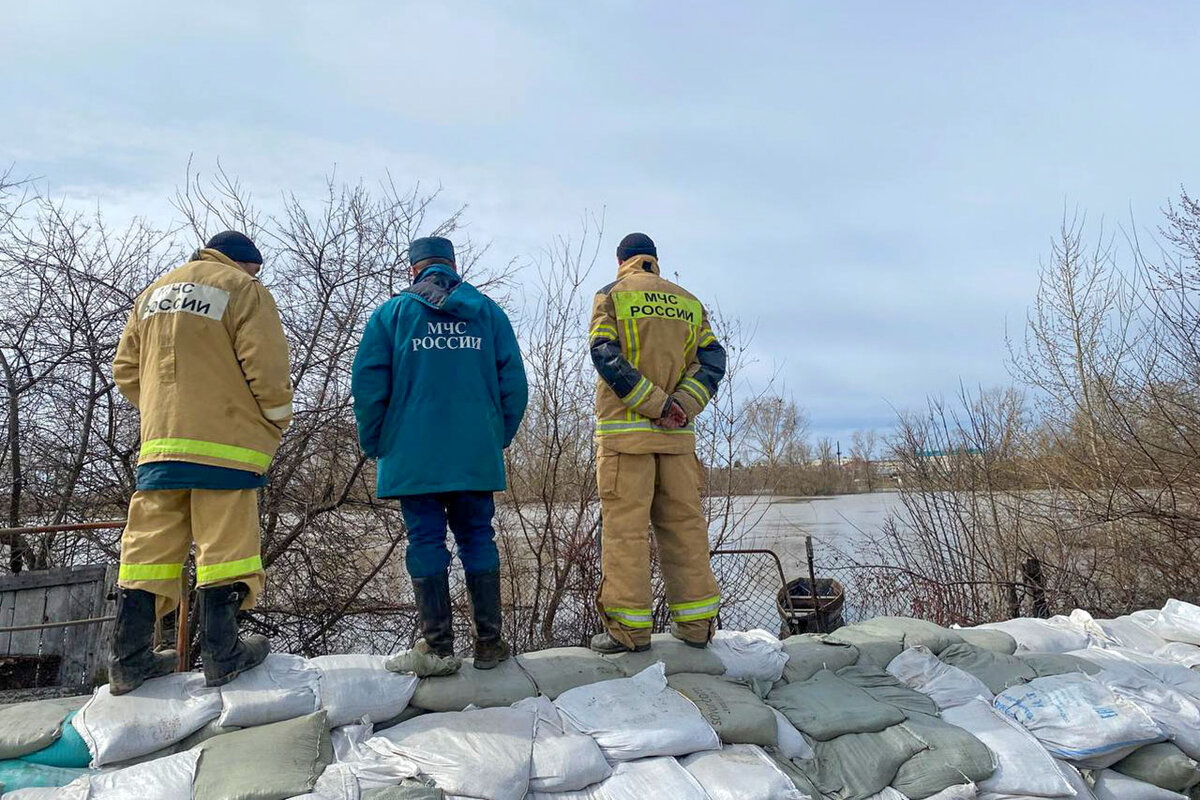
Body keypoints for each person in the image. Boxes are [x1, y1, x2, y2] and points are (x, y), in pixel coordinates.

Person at [111, 230, 293, 694]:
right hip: (225, 446)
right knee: (227, 550)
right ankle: (222, 655)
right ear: (245, 263)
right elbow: (268, 368)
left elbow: (125, 370)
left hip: (160, 447)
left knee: (147, 551)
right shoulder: (243, 290)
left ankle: (128, 661)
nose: (256, 275)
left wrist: (163, 410)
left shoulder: (153, 293)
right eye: (256, 268)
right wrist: (273, 420)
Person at [352, 236, 527, 671]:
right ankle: (489, 645)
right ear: (452, 265)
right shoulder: (488, 314)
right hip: (474, 451)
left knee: (425, 541)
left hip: (412, 454)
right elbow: (514, 385)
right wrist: (495, 437)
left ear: (413, 269)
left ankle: (438, 648)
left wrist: (376, 442)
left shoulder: (391, 315)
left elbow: (368, 386)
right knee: (478, 538)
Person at [588, 232, 727, 654]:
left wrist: (655, 404)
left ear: (621, 261)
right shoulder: (689, 302)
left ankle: (629, 632)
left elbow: (604, 353)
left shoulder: (611, 296)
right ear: (654, 259)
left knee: (625, 536)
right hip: (677, 443)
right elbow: (713, 360)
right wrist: (681, 405)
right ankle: (697, 626)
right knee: (686, 530)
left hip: (625, 442)